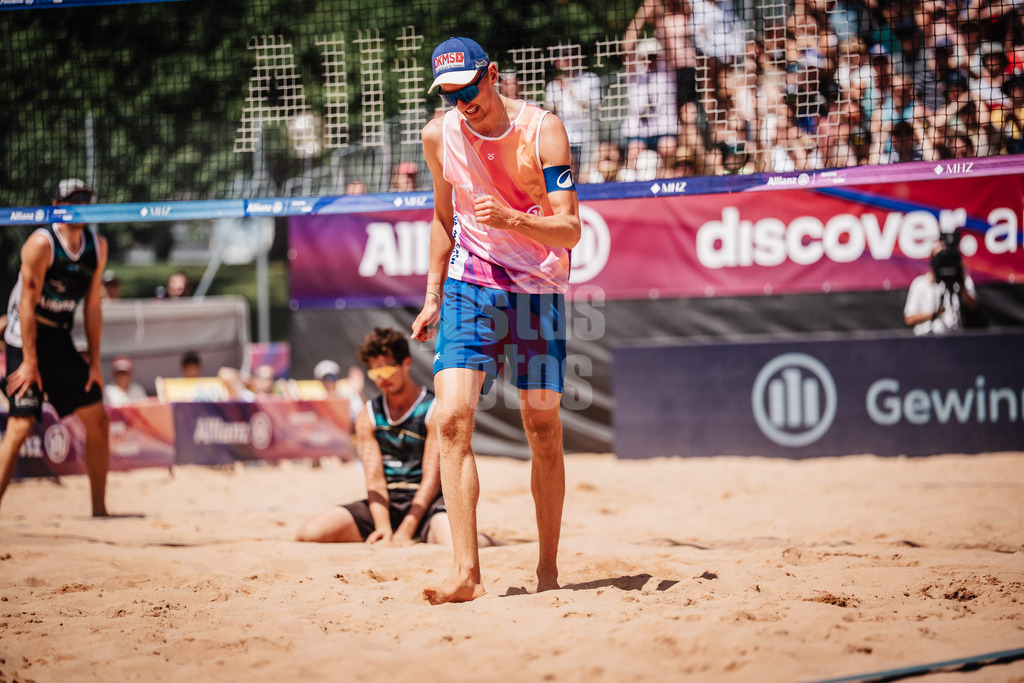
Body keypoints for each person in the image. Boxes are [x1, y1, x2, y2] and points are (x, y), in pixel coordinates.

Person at [411, 37, 581, 604]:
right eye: (450, 95)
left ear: (493, 76)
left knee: (543, 430)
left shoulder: (542, 130)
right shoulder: (440, 135)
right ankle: (467, 574)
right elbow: (442, 217)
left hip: (538, 288)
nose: (463, 103)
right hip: (469, 282)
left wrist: (511, 218)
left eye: (469, 90)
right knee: (452, 418)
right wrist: (433, 294)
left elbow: (571, 230)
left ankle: (548, 570)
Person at [0, 178, 111, 517]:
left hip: (60, 339)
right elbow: (26, 308)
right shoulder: (41, 244)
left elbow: (92, 308)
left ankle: (99, 510)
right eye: (72, 199)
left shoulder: (97, 246)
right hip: (25, 338)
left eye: (85, 199)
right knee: (19, 428)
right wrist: (29, 362)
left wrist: (94, 363)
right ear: (56, 204)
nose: (80, 204)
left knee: (98, 420)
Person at [295, 327, 451, 546]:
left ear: (406, 363)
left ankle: (491, 542)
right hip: (384, 506)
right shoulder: (368, 414)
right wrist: (383, 528)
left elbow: (431, 481)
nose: (381, 379)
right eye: (374, 373)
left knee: (452, 542)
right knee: (310, 533)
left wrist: (406, 530)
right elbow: (374, 479)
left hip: (427, 505)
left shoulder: (433, 408)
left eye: (386, 370)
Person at [904, 238, 978, 335]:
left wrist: (960, 285)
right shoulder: (920, 284)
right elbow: (909, 319)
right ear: (932, 260)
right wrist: (934, 313)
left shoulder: (962, 281)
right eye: (939, 258)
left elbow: (974, 306)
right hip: (926, 338)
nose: (943, 263)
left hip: (955, 337)